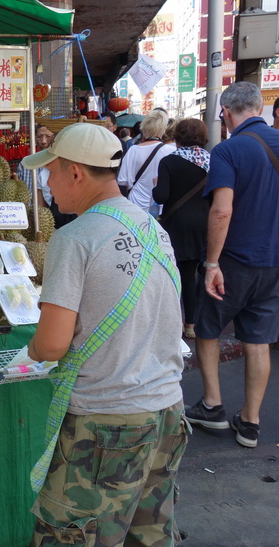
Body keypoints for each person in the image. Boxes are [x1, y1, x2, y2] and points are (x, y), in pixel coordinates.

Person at [22, 123, 186, 545]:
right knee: (146, 535)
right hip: (167, 411)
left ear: (75, 173)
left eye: (51, 172)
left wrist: (32, 347)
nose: (48, 184)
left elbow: (53, 344)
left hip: (108, 425)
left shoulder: (75, 238)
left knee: (72, 536)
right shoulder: (153, 229)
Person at [184, 81, 279, 449]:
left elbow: (222, 210)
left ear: (225, 113)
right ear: (260, 108)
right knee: (258, 342)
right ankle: (251, 423)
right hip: (273, 265)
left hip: (234, 262)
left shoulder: (228, 150)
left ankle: (212, 404)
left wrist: (211, 263)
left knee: (207, 330)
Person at [152, 119, 210, 340]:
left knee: (171, 275)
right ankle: (191, 325)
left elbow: (161, 196)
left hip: (175, 226)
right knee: (190, 276)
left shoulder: (169, 162)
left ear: (177, 137)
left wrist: (156, 184)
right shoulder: (210, 161)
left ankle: (170, 324)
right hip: (202, 226)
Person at [118, 109, 175, 213]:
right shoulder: (171, 152)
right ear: (163, 128)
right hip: (160, 208)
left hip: (135, 206)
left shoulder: (133, 150)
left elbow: (122, 181)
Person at [18, 124, 75, 228]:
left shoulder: (67, 165)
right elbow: (41, 207)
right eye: (39, 136)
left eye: (48, 136)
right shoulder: (27, 165)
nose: (43, 141)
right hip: (42, 220)